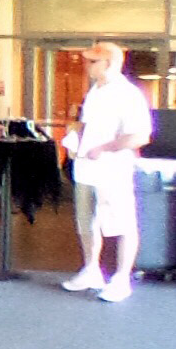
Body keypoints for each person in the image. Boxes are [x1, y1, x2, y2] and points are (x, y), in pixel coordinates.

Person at [62, 40, 155, 301]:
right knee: (86, 221)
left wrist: (104, 148)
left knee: (122, 222)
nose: (87, 66)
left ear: (111, 64)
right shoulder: (95, 92)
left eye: (93, 61)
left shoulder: (128, 95)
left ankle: (122, 278)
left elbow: (139, 136)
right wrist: (75, 137)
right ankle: (91, 269)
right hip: (86, 168)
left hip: (113, 170)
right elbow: (87, 126)